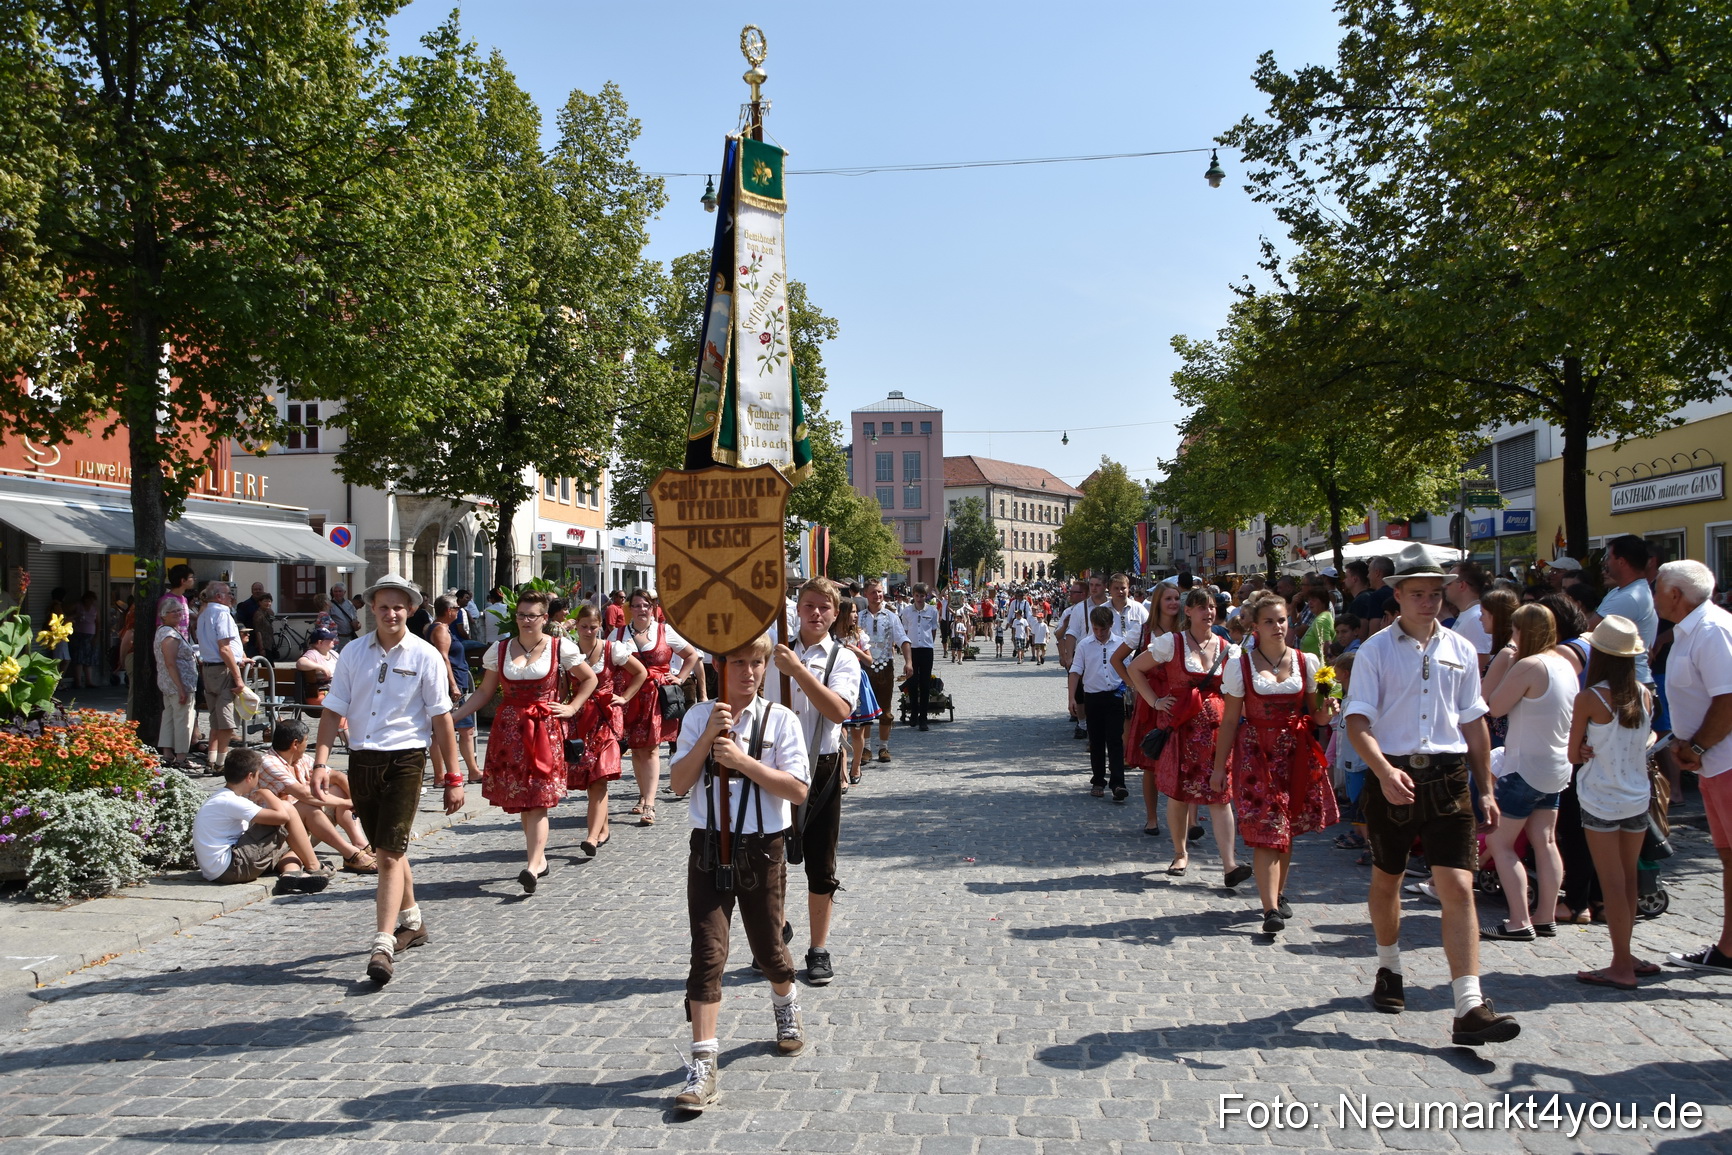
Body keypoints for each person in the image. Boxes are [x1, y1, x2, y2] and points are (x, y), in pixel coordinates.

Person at [1343, 542, 1520, 1046]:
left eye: (1435, 594)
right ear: (1396, 596)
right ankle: (1389, 967)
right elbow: (1357, 722)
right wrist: (1381, 770)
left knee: (1458, 886)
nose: (1428, 602)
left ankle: (1468, 1005)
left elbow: (1475, 723)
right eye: (1417, 593)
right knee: (1388, 878)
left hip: (1447, 778)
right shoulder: (1375, 650)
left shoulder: (1461, 649)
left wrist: (1485, 786)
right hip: (1392, 772)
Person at [668, 632, 811, 1112]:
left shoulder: (781, 719)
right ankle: (703, 1063)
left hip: (762, 847)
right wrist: (709, 737)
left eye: (756, 663)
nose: (748, 673)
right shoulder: (696, 717)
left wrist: (744, 762)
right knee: (708, 952)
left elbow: (796, 790)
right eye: (738, 664)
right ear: (718, 665)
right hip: (709, 845)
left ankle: (785, 1001)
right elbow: (677, 783)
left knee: (769, 947)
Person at [313, 574, 463, 986]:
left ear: (410, 610)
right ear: (372, 609)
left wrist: (454, 775)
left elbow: (441, 719)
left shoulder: (426, 655)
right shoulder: (352, 653)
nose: (391, 613)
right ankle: (413, 921)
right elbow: (333, 710)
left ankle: (382, 943)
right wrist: (320, 764)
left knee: (391, 852)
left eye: (399, 606)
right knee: (385, 849)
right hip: (362, 759)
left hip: (406, 760)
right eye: (384, 606)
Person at [451, 590, 597, 892]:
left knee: (538, 801)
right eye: (521, 615)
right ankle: (539, 858)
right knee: (523, 800)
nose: (526, 620)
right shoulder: (501, 649)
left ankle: (532, 864)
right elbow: (484, 692)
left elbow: (590, 679)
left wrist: (571, 707)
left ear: (545, 618)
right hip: (509, 732)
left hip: (544, 730)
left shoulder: (559, 647)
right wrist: (454, 716)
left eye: (533, 615)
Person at [1212, 590, 1336, 931]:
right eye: (1269, 621)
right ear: (1255, 627)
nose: (1278, 627)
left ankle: (1278, 894)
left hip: (1295, 752)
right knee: (1269, 829)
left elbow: (1320, 718)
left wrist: (1329, 703)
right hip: (1256, 753)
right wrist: (1218, 768)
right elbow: (1229, 720)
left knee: (1287, 830)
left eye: (1281, 620)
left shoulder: (1306, 662)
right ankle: (1269, 910)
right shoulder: (1240, 665)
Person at [772, 577, 863, 987]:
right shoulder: (773, 651)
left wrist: (798, 672)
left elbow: (839, 709)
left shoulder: (843, 658)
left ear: (835, 613)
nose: (816, 614)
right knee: (766, 856)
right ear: (797, 607)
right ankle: (775, 933)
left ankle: (818, 948)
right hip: (772, 767)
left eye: (824, 608)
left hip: (821, 767)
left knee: (820, 865)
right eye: (809, 605)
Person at [1568, 616, 1658, 988]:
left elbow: (1573, 754)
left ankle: (1621, 964)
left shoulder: (1589, 698)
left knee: (1611, 882)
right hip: (1636, 797)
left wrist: (1588, 747)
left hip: (1600, 797)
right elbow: (1649, 735)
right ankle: (1627, 952)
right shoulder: (1643, 692)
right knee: (1628, 881)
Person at [1135, 589, 1247, 882]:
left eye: (1211, 607)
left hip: (1216, 734)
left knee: (1220, 796)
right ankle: (1180, 853)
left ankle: (1229, 864)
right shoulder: (1171, 644)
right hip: (1182, 730)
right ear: (1188, 612)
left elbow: (1239, 690)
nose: (1208, 612)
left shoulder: (1228, 647)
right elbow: (1135, 668)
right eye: (1201, 608)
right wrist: (1154, 701)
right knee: (1179, 794)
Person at [1478, 603, 1574, 941]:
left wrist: (1504, 666)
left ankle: (1519, 921)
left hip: (1525, 765)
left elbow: (1494, 706)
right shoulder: (1564, 662)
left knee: (1499, 842)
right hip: (1556, 765)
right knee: (1545, 840)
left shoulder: (1529, 665)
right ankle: (1545, 915)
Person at [1655, 561, 1732, 973]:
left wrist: (1699, 744)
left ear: (1675, 595)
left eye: (1657, 588)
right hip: (1713, 762)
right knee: (1727, 856)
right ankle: (1728, 949)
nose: (1653, 596)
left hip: (1722, 759)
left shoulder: (1712, 629)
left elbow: (1729, 698)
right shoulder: (1694, 630)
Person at [611, 589, 701, 825]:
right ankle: (642, 795)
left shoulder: (664, 630)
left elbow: (691, 655)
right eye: (637, 605)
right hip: (629, 697)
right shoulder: (618, 634)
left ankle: (650, 803)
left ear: (652, 608)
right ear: (629, 608)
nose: (642, 610)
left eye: (646, 606)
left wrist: (679, 677)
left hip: (655, 697)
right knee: (637, 749)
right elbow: (606, 660)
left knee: (651, 749)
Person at [191, 749, 330, 894]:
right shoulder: (231, 801)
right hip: (232, 867)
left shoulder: (220, 797)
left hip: (218, 871)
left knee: (290, 846)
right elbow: (283, 816)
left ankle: (291, 874)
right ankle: (314, 866)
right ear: (250, 776)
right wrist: (267, 793)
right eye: (258, 775)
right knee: (287, 808)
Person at [569, 603, 647, 857]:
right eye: (583, 627)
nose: (588, 632)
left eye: (593, 627)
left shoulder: (613, 650)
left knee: (600, 777)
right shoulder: (568, 651)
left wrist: (624, 697)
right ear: (576, 625)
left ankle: (591, 837)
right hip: (580, 719)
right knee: (590, 778)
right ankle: (602, 830)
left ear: (600, 627)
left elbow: (641, 673)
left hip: (606, 719)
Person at [257, 720, 377, 873]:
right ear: (295, 744)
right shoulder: (269, 763)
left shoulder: (301, 759)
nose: (307, 745)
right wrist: (345, 803)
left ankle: (360, 843)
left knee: (338, 789)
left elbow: (337, 776)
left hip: (307, 826)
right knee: (308, 806)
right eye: (306, 741)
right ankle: (350, 854)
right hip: (279, 831)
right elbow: (304, 795)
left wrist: (355, 801)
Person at [1124, 584, 1185, 837]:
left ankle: (1189, 823)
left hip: (1179, 700)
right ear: (1158, 601)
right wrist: (1135, 686)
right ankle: (1152, 818)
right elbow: (1120, 660)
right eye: (1168, 598)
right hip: (1152, 702)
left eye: (1177, 598)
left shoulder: (1186, 630)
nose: (1173, 603)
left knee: (1184, 760)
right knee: (1151, 763)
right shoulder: (1144, 630)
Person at [1070, 607, 1128, 801]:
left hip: (1115, 696)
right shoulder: (1084, 645)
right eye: (1096, 629)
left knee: (1115, 740)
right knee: (1096, 741)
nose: (1100, 633)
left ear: (1111, 626)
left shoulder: (1121, 644)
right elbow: (1076, 671)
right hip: (1093, 697)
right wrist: (1072, 697)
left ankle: (1118, 782)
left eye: (1103, 629)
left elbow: (1129, 670)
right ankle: (1098, 779)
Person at [427, 595, 480, 785]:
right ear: (449, 611)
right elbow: (443, 657)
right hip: (450, 685)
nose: (459, 611)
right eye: (457, 608)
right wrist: (453, 685)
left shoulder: (441, 628)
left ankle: (471, 771)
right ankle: (442, 775)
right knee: (450, 729)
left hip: (452, 683)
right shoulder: (440, 629)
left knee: (464, 728)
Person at [859, 578, 911, 763]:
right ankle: (866, 748)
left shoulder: (891, 616)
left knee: (885, 710)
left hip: (885, 667)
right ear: (866, 594)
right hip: (863, 669)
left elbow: (903, 638)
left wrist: (908, 662)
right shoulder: (860, 617)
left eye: (880, 591)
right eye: (873, 592)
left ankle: (883, 747)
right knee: (864, 710)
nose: (878, 595)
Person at [196, 583, 246, 774]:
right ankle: (220, 763)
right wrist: (238, 677)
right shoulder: (222, 613)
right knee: (225, 721)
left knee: (216, 719)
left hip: (208, 668)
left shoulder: (204, 613)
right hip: (222, 669)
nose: (231, 597)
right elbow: (224, 648)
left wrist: (239, 655)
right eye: (228, 594)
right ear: (218, 596)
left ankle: (211, 759)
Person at [1599, 535, 1659, 692]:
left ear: (1621, 561)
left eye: (1608, 557)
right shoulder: (1622, 591)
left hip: (1631, 685)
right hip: (1627, 682)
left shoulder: (1629, 597)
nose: (1606, 563)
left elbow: (1588, 630)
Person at [832, 600, 879, 787]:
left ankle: (856, 766)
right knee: (840, 731)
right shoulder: (830, 635)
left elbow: (869, 661)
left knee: (857, 732)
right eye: (852, 611)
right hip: (836, 683)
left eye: (856, 611)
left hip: (856, 683)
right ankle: (842, 773)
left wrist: (856, 650)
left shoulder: (858, 635)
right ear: (843, 613)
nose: (856, 615)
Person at [154, 598, 199, 769]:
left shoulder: (164, 631)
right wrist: (181, 687)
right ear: (164, 615)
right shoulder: (169, 635)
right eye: (173, 611)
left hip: (169, 683)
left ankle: (167, 753)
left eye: (180, 611)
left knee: (169, 717)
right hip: (178, 684)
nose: (178, 614)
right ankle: (181, 757)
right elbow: (170, 662)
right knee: (183, 719)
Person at [898, 584, 941, 732]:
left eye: (922, 596)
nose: (919, 598)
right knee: (911, 682)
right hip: (912, 650)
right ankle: (914, 715)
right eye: (917, 595)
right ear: (913, 596)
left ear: (926, 596)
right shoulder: (907, 611)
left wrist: (929, 643)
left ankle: (923, 717)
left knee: (924, 684)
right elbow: (904, 631)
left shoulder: (932, 610)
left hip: (926, 649)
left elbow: (934, 630)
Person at [1446, 563, 1494, 670]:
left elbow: (1481, 664)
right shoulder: (1469, 614)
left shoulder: (1476, 617)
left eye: (1449, 583)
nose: (1445, 587)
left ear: (1462, 585)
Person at [70, 590, 100, 688]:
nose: (91, 602)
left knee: (89, 659)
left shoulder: (94, 609)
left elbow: (98, 623)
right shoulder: (78, 606)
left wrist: (96, 636)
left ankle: (89, 681)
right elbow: (67, 613)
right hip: (79, 634)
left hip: (90, 635)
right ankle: (78, 681)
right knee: (79, 658)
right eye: (90, 600)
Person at [326, 583, 359, 649]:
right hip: (337, 638)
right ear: (333, 592)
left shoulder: (349, 604)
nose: (338, 593)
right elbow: (327, 621)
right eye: (335, 591)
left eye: (340, 591)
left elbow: (355, 619)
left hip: (350, 637)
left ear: (344, 592)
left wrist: (357, 625)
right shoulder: (329, 605)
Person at [247, 592, 278, 660]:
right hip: (263, 645)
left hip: (269, 644)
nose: (268, 603)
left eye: (269, 601)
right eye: (265, 601)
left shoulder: (267, 612)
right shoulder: (258, 614)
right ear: (260, 602)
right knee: (268, 666)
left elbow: (272, 615)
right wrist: (261, 648)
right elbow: (258, 631)